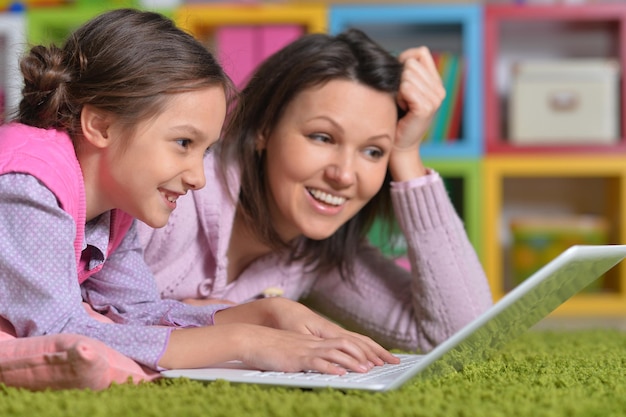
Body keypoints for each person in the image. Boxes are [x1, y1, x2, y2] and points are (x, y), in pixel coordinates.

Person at [0, 8, 397, 378]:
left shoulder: (117, 203)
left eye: (205, 150)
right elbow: (55, 332)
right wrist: (244, 341)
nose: (198, 177)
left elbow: (135, 311)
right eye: (183, 143)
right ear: (101, 125)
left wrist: (262, 315)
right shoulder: (29, 184)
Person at [138, 28, 494, 355]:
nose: (343, 175)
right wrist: (249, 319)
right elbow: (86, 314)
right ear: (264, 128)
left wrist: (406, 154)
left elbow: (465, 335)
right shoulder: (176, 193)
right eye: (322, 137)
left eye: (373, 151)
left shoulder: (315, 257)